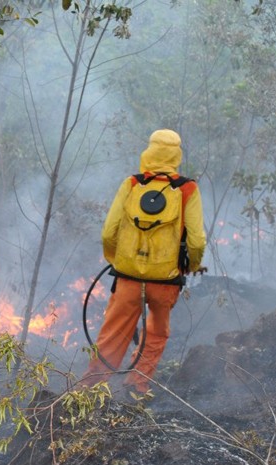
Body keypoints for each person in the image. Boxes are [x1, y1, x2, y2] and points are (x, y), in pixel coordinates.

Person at [79, 129, 206, 396]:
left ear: (149, 150)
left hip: (128, 279)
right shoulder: (187, 189)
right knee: (156, 333)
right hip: (166, 281)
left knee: (113, 334)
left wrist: (118, 261)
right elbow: (196, 242)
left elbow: (108, 231)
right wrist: (190, 266)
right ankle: (137, 386)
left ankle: (90, 391)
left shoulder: (132, 184)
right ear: (176, 154)